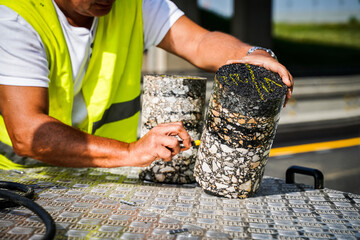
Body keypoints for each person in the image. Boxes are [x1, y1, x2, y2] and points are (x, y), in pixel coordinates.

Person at [0, 0, 293, 170]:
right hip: (28, 183)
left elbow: (198, 42)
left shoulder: (134, 4)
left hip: (104, 175)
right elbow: (28, 132)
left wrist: (250, 54)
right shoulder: (14, 16)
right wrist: (130, 152)